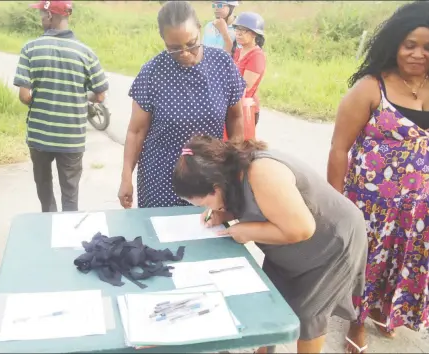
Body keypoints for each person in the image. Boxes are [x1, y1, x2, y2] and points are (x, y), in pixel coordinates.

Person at [173, 135, 368, 354]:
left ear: (216, 187)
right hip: (289, 243)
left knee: (309, 314)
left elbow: (301, 229)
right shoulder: (231, 176)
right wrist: (222, 213)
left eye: (204, 202)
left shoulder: (261, 173)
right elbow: (254, 204)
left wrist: (246, 231)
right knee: (274, 300)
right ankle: (264, 351)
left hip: (331, 243)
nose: (205, 207)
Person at [327, 1, 429, 352]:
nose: (417, 54)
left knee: (403, 261)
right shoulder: (372, 87)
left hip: (418, 208)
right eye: (409, 44)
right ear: (395, 43)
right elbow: (339, 149)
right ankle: (355, 323)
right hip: (370, 206)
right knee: (366, 265)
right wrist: (335, 207)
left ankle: (387, 310)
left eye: (427, 47)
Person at [117, 1, 245, 209]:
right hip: (160, 179)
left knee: (206, 234)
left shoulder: (222, 65)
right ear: (163, 40)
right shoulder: (152, 72)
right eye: (174, 48)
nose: (185, 53)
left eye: (192, 43)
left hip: (209, 177)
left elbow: (236, 117)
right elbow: (136, 131)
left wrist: (237, 166)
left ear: (200, 29)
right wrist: (125, 177)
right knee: (159, 237)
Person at [14, 0, 109, 212]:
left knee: (44, 187)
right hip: (71, 138)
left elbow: (24, 96)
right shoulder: (86, 53)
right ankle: (68, 233)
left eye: (41, 14)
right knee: (70, 191)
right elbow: (101, 95)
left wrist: (40, 99)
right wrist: (79, 97)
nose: (40, 18)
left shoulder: (30, 48)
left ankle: (49, 224)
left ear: (50, 16)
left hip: (40, 136)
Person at [224, 12, 266, 141]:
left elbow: (246, 87)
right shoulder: (238, 51)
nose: (239, 33)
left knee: (241, 149)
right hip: (233, 105)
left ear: (254, 34)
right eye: (237, 29)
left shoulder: (256, 56)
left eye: (244, 31)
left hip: (245, 109)